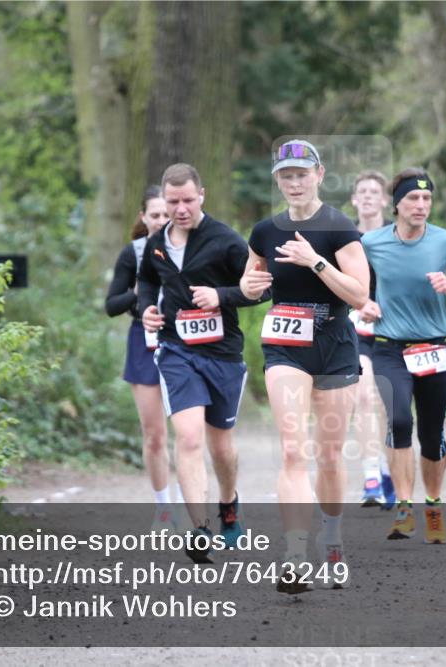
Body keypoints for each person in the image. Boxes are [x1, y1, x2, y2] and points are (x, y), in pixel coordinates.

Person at [240, 139, 370, 592]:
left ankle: (331, 539)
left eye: (302, 173)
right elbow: (249, 281)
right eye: (286, 175)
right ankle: (295, 554)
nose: (294, 182)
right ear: (277, 180)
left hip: (334, 344)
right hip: (284, 347)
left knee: (329, 456)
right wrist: (251, 285)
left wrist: (315, 261)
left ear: (319, 173)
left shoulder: (339, 227)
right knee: (294, 450)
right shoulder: (265, 230)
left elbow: (359, 295)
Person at [361, 167, 446, 544]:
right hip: (388, 348)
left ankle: (432, 504)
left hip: (433, 348)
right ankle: (403, 507)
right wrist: (363, 303)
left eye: (427, 198)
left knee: (432, 435)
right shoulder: (372, 243)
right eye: (413, 198)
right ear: (396, 204)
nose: (421, 205)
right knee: (399, 420)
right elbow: (350, 280)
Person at [138, 163, 257, 564]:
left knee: (221, 447)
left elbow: (259, 288)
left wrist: (222, 296)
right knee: (188, 438)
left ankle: (228, 506)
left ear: (202, 195)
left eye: (188, 199)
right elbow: (147, 284)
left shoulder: (226, 241)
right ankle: (199, 529)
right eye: (172, 201)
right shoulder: (156, 242)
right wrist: (146, 311)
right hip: (176, 352)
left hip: (222, 354)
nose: (181, 208)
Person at [105, 186, 175, 531]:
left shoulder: (189, 248)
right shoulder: (132, 253)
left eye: (167, 213)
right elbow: (111, 305)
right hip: (143, 341)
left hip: (185, 339)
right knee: (154, 434)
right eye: (156, 215)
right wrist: (139, 289)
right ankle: (164, 508)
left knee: (193, 434)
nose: (162, 220)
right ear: (143, 217)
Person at [349, 171, 396, 509]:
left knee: (389, 405)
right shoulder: (343, 238)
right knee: (364, 396)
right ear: (354, 200)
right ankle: (370, 477)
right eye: (361, 191)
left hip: (393, 331)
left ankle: (386, 468)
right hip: (355, 331)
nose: (367, 196)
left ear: (384, 201)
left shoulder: (397, 238)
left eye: (374, 192)